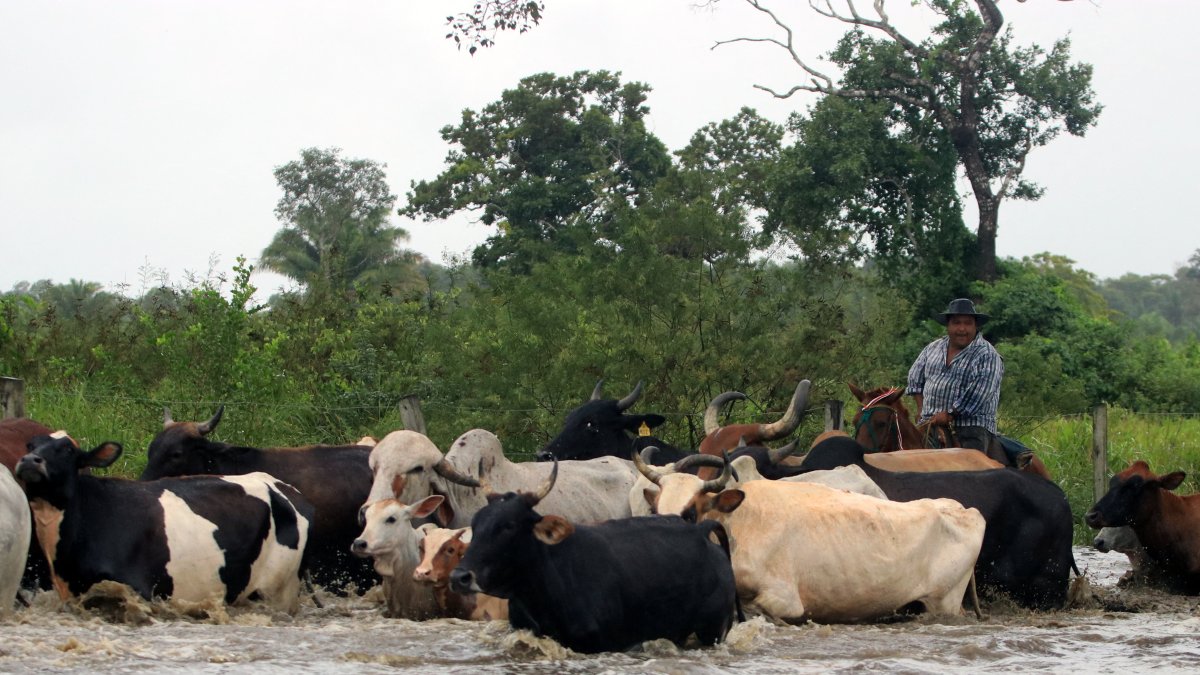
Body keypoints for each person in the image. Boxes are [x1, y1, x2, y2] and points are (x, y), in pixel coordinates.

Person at [906, 298, 1028, 465]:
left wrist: (949, 413)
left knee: (969, 472)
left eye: (967, 323)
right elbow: (914, 379)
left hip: (970, 426)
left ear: (975, 326)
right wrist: (920, 408)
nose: (962, 329)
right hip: (928, 423)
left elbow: (980, 393)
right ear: (948, 326)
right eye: (956, 323)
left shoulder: (987, 355)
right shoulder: (932, 348)